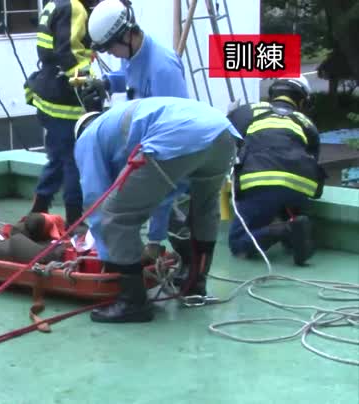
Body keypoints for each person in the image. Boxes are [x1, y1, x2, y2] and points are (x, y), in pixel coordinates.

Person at [74, 97, 240, 323]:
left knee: (116, 216)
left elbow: (96, 200)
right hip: (223, 134)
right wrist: (154, 241)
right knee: (204, 209)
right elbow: (162, 195)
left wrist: (109, 257)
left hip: (178, 137)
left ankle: (133, 303)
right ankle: (195, 286)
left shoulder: (87, 138)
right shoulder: (122, 123)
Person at [83, 0, 191, 262]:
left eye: (110, 48)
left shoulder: (163, 67)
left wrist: (154, 241)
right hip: (147, 141)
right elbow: (129, 78)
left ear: (126, 35)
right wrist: (106, 83)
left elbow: (172, 141)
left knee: (169, 203)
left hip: (174, 153)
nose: (111, 54)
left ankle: (186, 264)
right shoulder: (133, 54)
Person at [226, 76, 325, 266]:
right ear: (302, 100)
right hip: (301, 187)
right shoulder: (306, 123)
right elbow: (314, 160)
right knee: (284, 199)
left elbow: (226, 137)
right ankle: (293, 230)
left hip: (260, 182)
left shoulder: (249, 110)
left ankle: (286, 230)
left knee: (238, 243)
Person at [23, 0, 99, 228]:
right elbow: (68, 53)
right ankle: (75, 221)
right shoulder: (74, 7)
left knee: (57, 157)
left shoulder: (58, 3)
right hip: (66, 103)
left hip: (49, 95)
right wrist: (89, 82)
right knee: (74, 162)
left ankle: (37, 211)